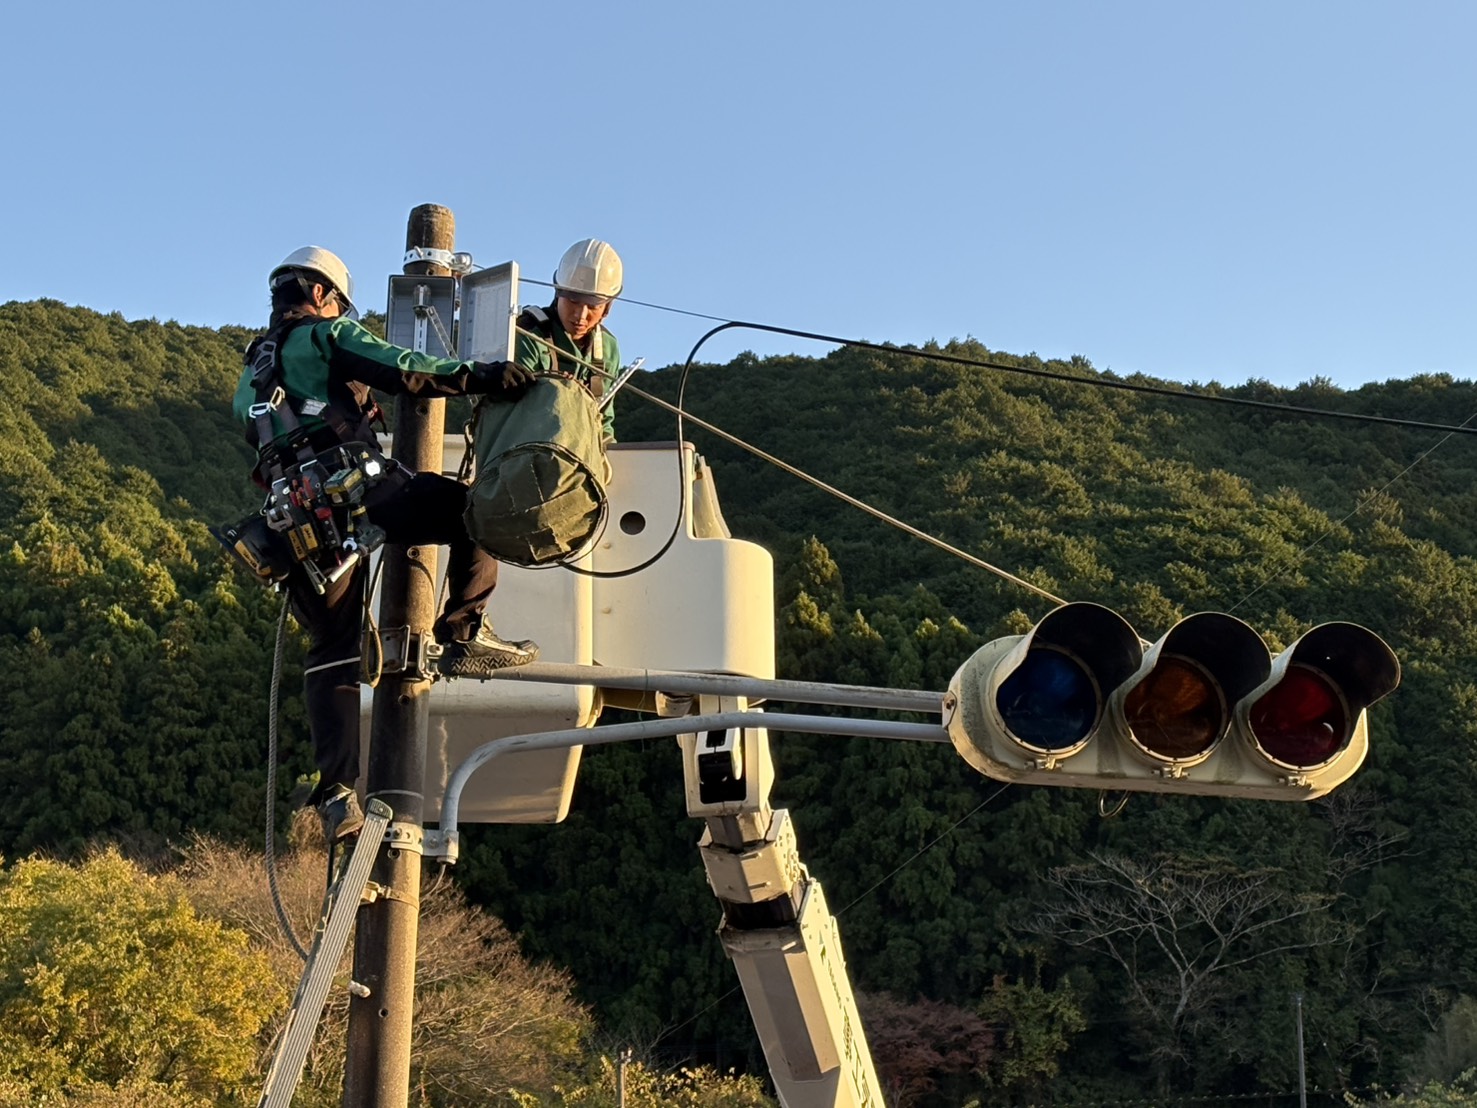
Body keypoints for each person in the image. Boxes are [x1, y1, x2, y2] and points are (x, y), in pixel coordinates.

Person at [231, 246, 539, 842]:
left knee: (334, 647)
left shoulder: (251, 373)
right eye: (337, 301)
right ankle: (464, 630)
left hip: (293, 517)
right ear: (322, 296)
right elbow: (402, 367)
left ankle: (338, 792)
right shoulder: (325, 337)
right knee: (472, 511)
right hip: (355, 486)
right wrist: (482, 376)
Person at [514, 239, 623, 441]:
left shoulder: (608, 347)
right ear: (558, 292)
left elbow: (605, 422)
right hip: (530, 448)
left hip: (585, 455)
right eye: (573, 300)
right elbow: (516, 410)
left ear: (607, 307)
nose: (581, 315)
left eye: (593, 306)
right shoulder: (529, 332)